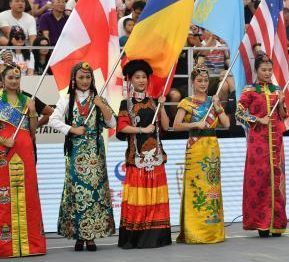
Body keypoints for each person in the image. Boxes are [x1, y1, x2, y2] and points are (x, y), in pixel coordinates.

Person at [49, 62, 116, 251]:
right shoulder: (67, 99)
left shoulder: (99, 98)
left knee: (95, 195)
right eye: (81, 78)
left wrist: (102, 106)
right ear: (74, 79)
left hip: (95, 153)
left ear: (92, 80)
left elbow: (111, 123)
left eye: (88, 78)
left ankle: (91, 236)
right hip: (75, 153)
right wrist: (72, 129)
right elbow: (53, 120)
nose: (85, 81)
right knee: (76, 194)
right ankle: (78, 236)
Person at [117, 60, 171, 249]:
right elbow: (122, 127)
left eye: (144, 77)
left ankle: (156, 237)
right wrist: (142, 130)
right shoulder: (126, 103)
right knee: (138, 198)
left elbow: (165, 126)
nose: (141, 81)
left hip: (155, 155)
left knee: (155, 197)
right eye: (137, 77)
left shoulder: (155, 101)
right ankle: (135, 237)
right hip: (136, 156)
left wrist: (162, 107)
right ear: (130, 80)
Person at [173, 64, 229, 244]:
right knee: (196, 188)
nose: (203, 84)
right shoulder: (186, 102)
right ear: (192, 82)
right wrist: (195, 125)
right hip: (195, 147)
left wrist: (218, 106)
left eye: (205, 81)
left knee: (212, 188)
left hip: (212, 148)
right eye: (199, 81)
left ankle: (212, 230)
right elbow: (176, 125)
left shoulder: (213, 101)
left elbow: (226, 124)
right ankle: (195, 231)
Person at [236, 53, 288, 237]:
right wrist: (258, 119)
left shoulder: (277, 90)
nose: (267, 73)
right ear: (257, 71)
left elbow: (283, 115)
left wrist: (281, 102)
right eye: (263, 70)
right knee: (259, 181)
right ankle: (261, 223)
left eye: (269, 69)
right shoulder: (250, 90)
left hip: (276, 142)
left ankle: (277, 223)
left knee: (277, 180)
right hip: (257, 141)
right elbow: (239, 113)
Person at [0, 63, 46, 257]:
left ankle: (32, 245)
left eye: (17, 78)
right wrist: (3, 140)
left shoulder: (27, 100)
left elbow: (33, 131)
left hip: (26, 151)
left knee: (29, 196)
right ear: (3, 80)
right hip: (4, 152)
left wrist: (33, 111)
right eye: (10, 78)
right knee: (5, 197)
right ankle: (6, 247)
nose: (14, 81)